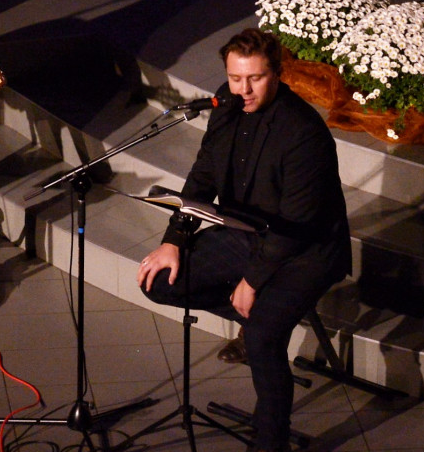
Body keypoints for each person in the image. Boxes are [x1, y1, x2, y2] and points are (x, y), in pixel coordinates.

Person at [135, 28, 351, 452]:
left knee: (262, 339)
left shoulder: (304, 132)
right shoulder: (227, 104)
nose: (243, 89)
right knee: (159, 282)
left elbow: (296, 223)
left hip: (305, 251)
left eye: (255, 78)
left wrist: (251, 282)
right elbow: (204, 173)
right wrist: (174, 240)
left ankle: (270, 443)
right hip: (247, 234)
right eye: (236, 78)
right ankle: (259, 317)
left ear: (278, 75)